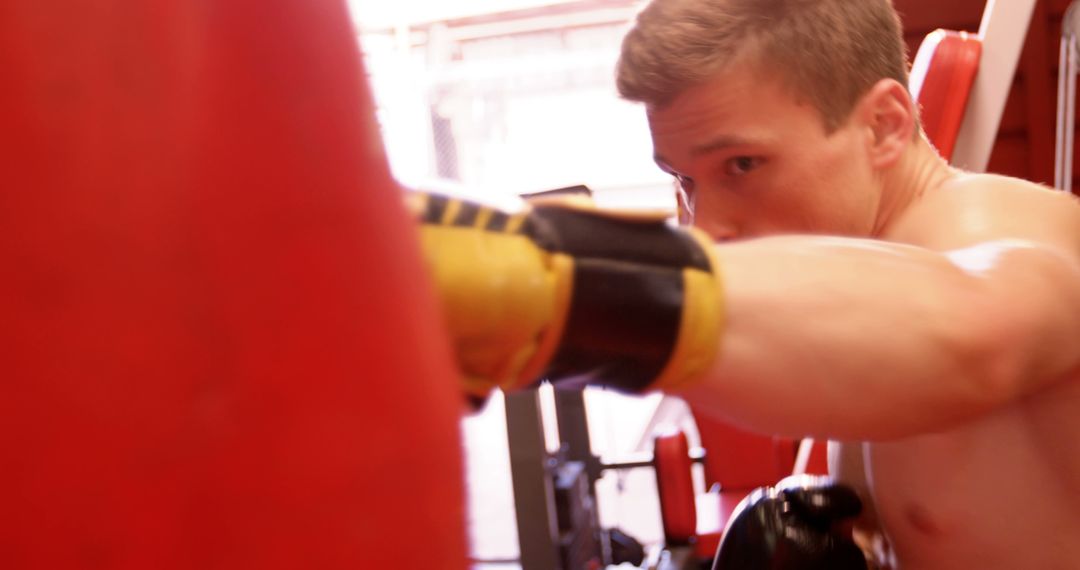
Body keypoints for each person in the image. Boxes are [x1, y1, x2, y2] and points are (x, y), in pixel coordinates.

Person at [610, 0, 1080, 568]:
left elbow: (980, 324)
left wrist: (589, 307)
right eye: (685, 180)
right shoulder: (858, 286)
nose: (702, 229)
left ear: (883, 126)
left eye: (742, 165)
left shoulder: (995, 238)